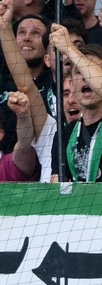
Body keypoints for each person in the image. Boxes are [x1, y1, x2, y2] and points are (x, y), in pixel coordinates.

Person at [49, 35, 102, 181]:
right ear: (71, 84)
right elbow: (57, 190)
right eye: (79, 71)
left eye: (91, 70)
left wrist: (69, 49)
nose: (86, 77)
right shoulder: (63, 136)